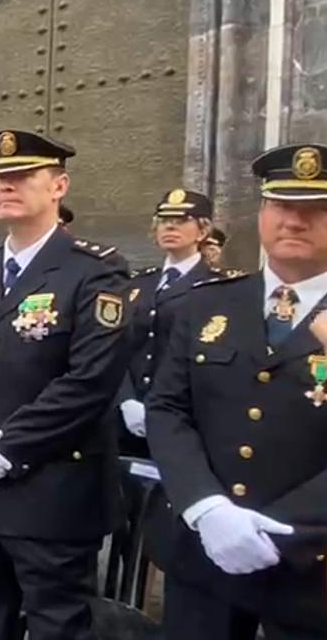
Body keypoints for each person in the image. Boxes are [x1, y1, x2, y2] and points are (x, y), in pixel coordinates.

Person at [0, 130, 130, 640]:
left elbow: (89, 382)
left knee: (56, 625)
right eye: (0, 178)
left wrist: (8, 447)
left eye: (21, 177)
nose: (6, 186)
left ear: (59, 186)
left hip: (51, 488)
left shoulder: (96, 271)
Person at [145, 142, 327, 639]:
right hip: (204, 553)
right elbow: (168, 408)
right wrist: (205, 507)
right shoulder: (208, 305)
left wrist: (291, 528)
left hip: (317, 568)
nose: (295, 221)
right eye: (281, 205)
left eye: (319, 209)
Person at [116, 189, 219, 458]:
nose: (170, 226)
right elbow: (116, 345)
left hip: (182, 418)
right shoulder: (138, 283)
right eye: (164, 220)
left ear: (202, 230)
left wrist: (159, 407)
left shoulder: (216, 287)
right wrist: (126, 399)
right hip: (126, 417)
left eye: (182, 219)